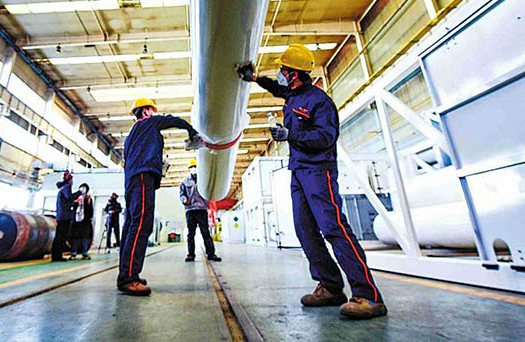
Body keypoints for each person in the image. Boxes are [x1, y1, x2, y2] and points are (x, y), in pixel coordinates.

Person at [237, 44, 387, 320]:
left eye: (283, 70)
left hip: (319, 172)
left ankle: (368, 295)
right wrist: (255, 78)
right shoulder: (292, 95)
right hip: (298, 172)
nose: (280, 74)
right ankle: (330, 286)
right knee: (304, 229)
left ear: (294, 74)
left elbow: (326, 138)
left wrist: (289, 136)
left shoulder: (320, 102)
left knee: (333, 228)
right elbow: (277, 88)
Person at [117, 97, 204, 296]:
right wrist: (191, 130)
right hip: (142, 176)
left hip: (133, 179)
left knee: (131, 225)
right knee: (141, 224)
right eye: (151, 109)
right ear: (145, 111)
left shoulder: (133, 135)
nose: (154, 113)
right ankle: (128, 279)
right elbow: (173, 119)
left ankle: (127, 274)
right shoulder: (148, 122)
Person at [180, 160, 221, 263]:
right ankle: (190, 254)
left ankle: (211, 254)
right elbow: (182, 194)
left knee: (205, 232)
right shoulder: (185, 182)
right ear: (189, 169)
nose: (193, 169)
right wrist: (185, 200)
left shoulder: (204, 181)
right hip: (191, 210)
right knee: (191, 234)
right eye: (191, 167)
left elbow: (210, 192)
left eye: (195, 167)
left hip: (202, 209)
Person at [52, 171, 74, 262]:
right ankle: (57, 256)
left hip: (61, 216)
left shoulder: (62, 188)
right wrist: (79, 193)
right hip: (64, 217)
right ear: (69, 180)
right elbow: (69, 198)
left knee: (59, 237)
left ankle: (57, 255)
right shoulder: (66, 188)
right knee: (61, 237)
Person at [71, 183, 94, 260]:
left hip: (85, 221)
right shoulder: (75, 198)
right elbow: (72, 207)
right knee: (75, 237)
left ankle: (84, 252)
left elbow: (90, 210)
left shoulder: (89, 199)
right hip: (76, 221)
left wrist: (89, 218)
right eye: (81, 188)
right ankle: (74, 252)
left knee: (85, 237)